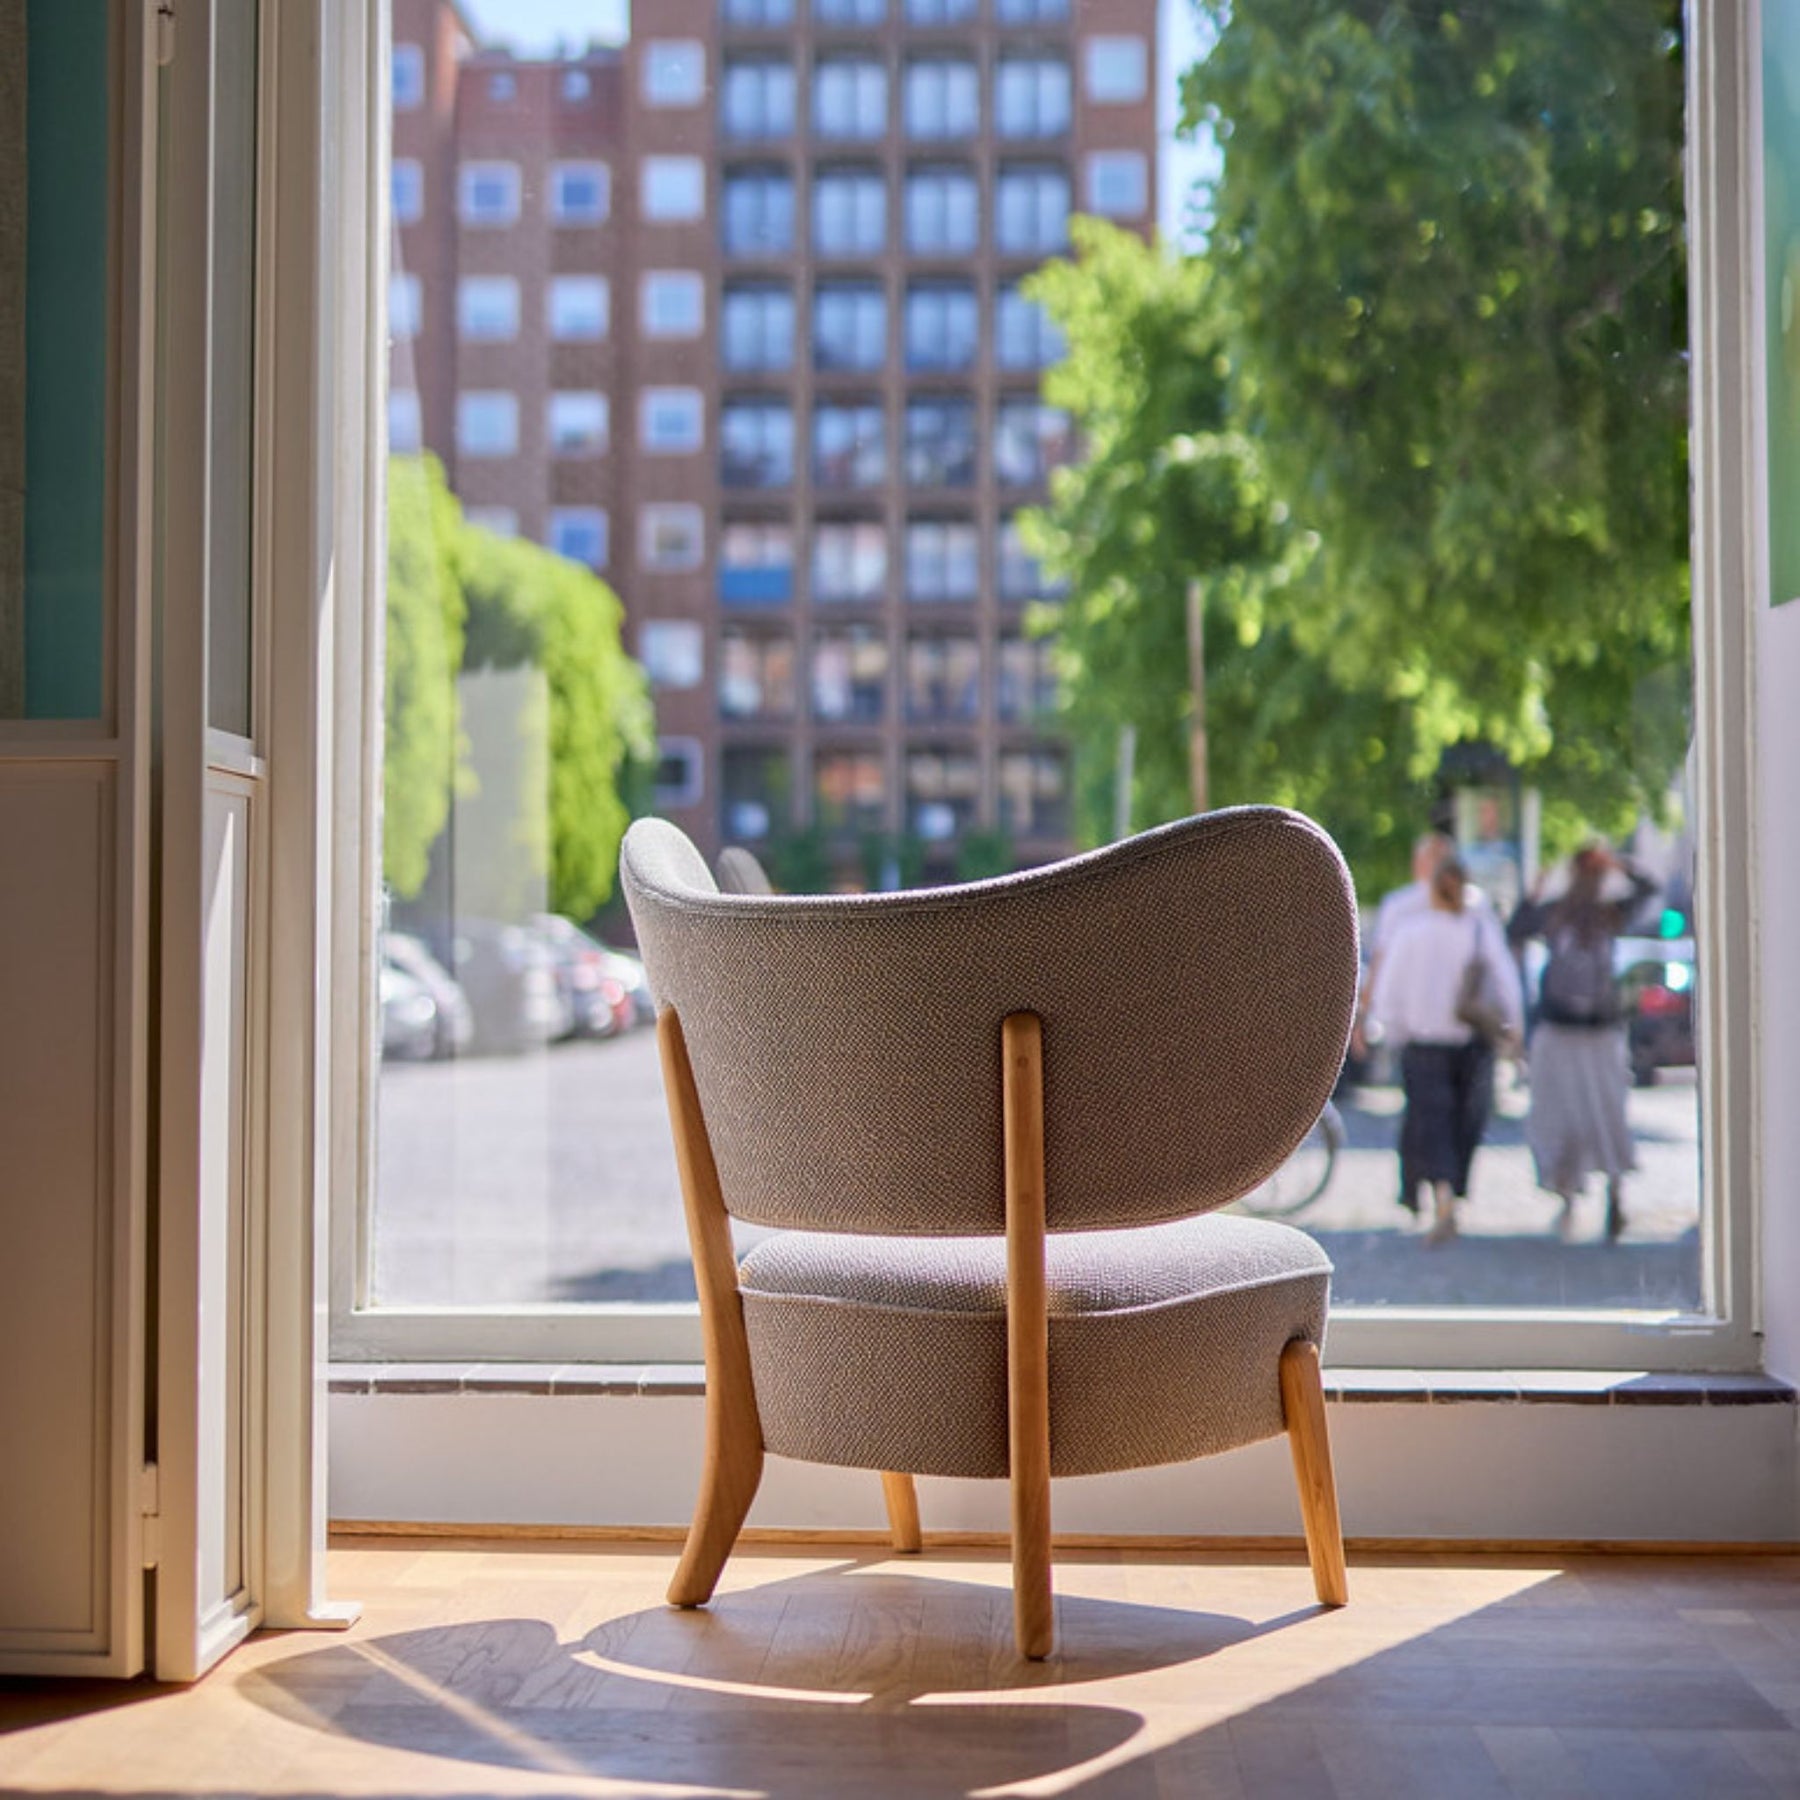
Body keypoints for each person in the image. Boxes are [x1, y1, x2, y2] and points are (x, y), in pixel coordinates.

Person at [1367, 855, 1524, 1244]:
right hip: (1469, 1042)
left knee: (1430, 1120)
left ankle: (1438, 1194)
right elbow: (1505, 978)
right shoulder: (1476, 929)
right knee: (1463, 1123)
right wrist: (1515, 1026)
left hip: (1422, 1043)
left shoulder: (1411, 930)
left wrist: (1388, 1030)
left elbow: (1389, 989)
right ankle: (1450, 1193)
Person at [1507, 846, 1658, 1241]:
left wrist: (1618, 862)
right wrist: (1535, 894)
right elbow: (1515, 931)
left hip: (1591, 1031)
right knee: (1570, 1116)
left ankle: (1607, 1194)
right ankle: (1574, 1193)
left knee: (1600, 1114)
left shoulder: (1604, 912)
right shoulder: (1565, 912)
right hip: (1568, 1031)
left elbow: (1649, 889)